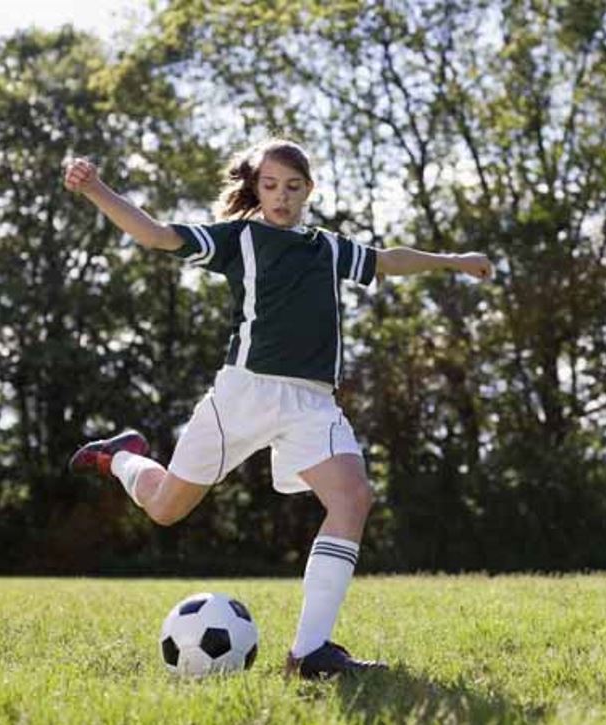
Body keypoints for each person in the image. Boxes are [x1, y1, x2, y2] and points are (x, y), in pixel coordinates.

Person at [63, 138, 493, 679]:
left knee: (353, 497)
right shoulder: (240, 237)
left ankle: (310, 653)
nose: (281, 196)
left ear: (309, 189)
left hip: (312, 401)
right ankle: (122, 456)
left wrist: (453, 261)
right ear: (257, 189)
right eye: (270, 186)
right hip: (246, 393)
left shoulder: (327, 247)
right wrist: (96, 189)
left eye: (292, 186)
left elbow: (386, 261)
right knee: (165, 508)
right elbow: (157, 234)